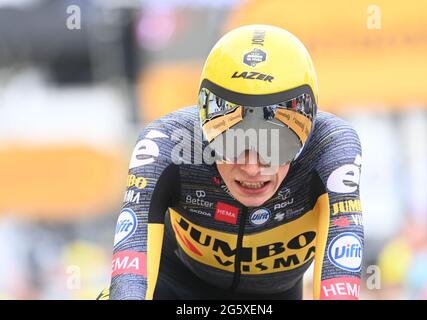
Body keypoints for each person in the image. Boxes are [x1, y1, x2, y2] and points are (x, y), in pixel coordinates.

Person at [99, 24, 364, 300]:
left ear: (306, 132)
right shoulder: (166, 141)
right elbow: (128, 282)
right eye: (231, 143)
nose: (251, 167)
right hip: (173, 287)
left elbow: (340, 286)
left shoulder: (330, 146)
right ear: (205, 124)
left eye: (276, 145)